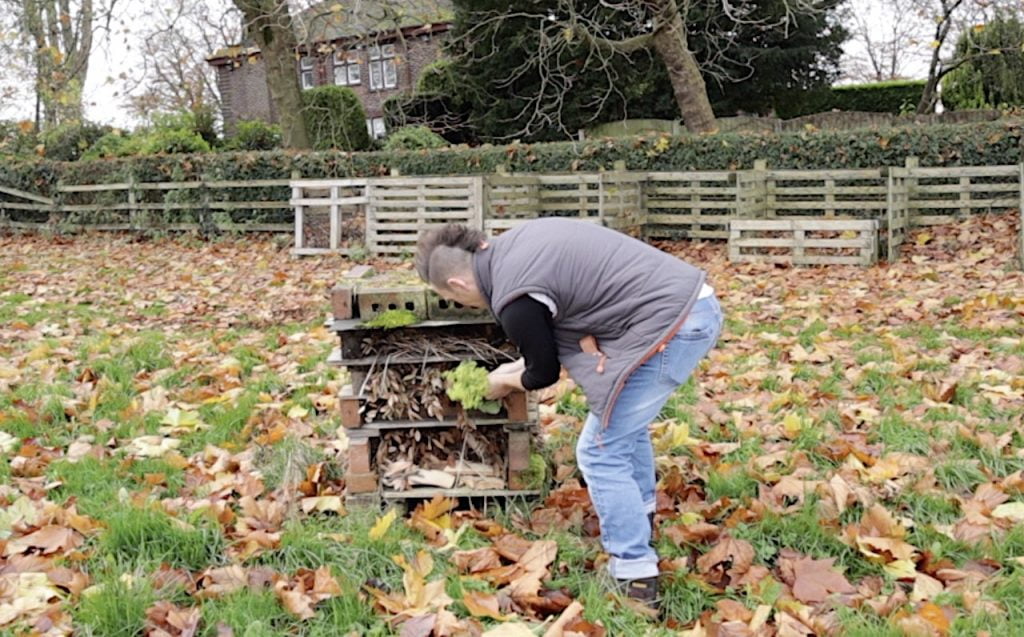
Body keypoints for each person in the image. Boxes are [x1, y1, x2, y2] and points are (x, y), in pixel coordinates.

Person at [415, 218, 723, 607]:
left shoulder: (514, 299)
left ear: (457, 285)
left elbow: (543, 373)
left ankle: (636, 575)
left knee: (599, 450)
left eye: (456, 299)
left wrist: (499, 383)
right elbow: (540, 355)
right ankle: (639, 520)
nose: (464, 305)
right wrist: (508, 372)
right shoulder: (515, 247)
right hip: (688, 303)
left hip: (674, 324)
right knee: (622, 425)